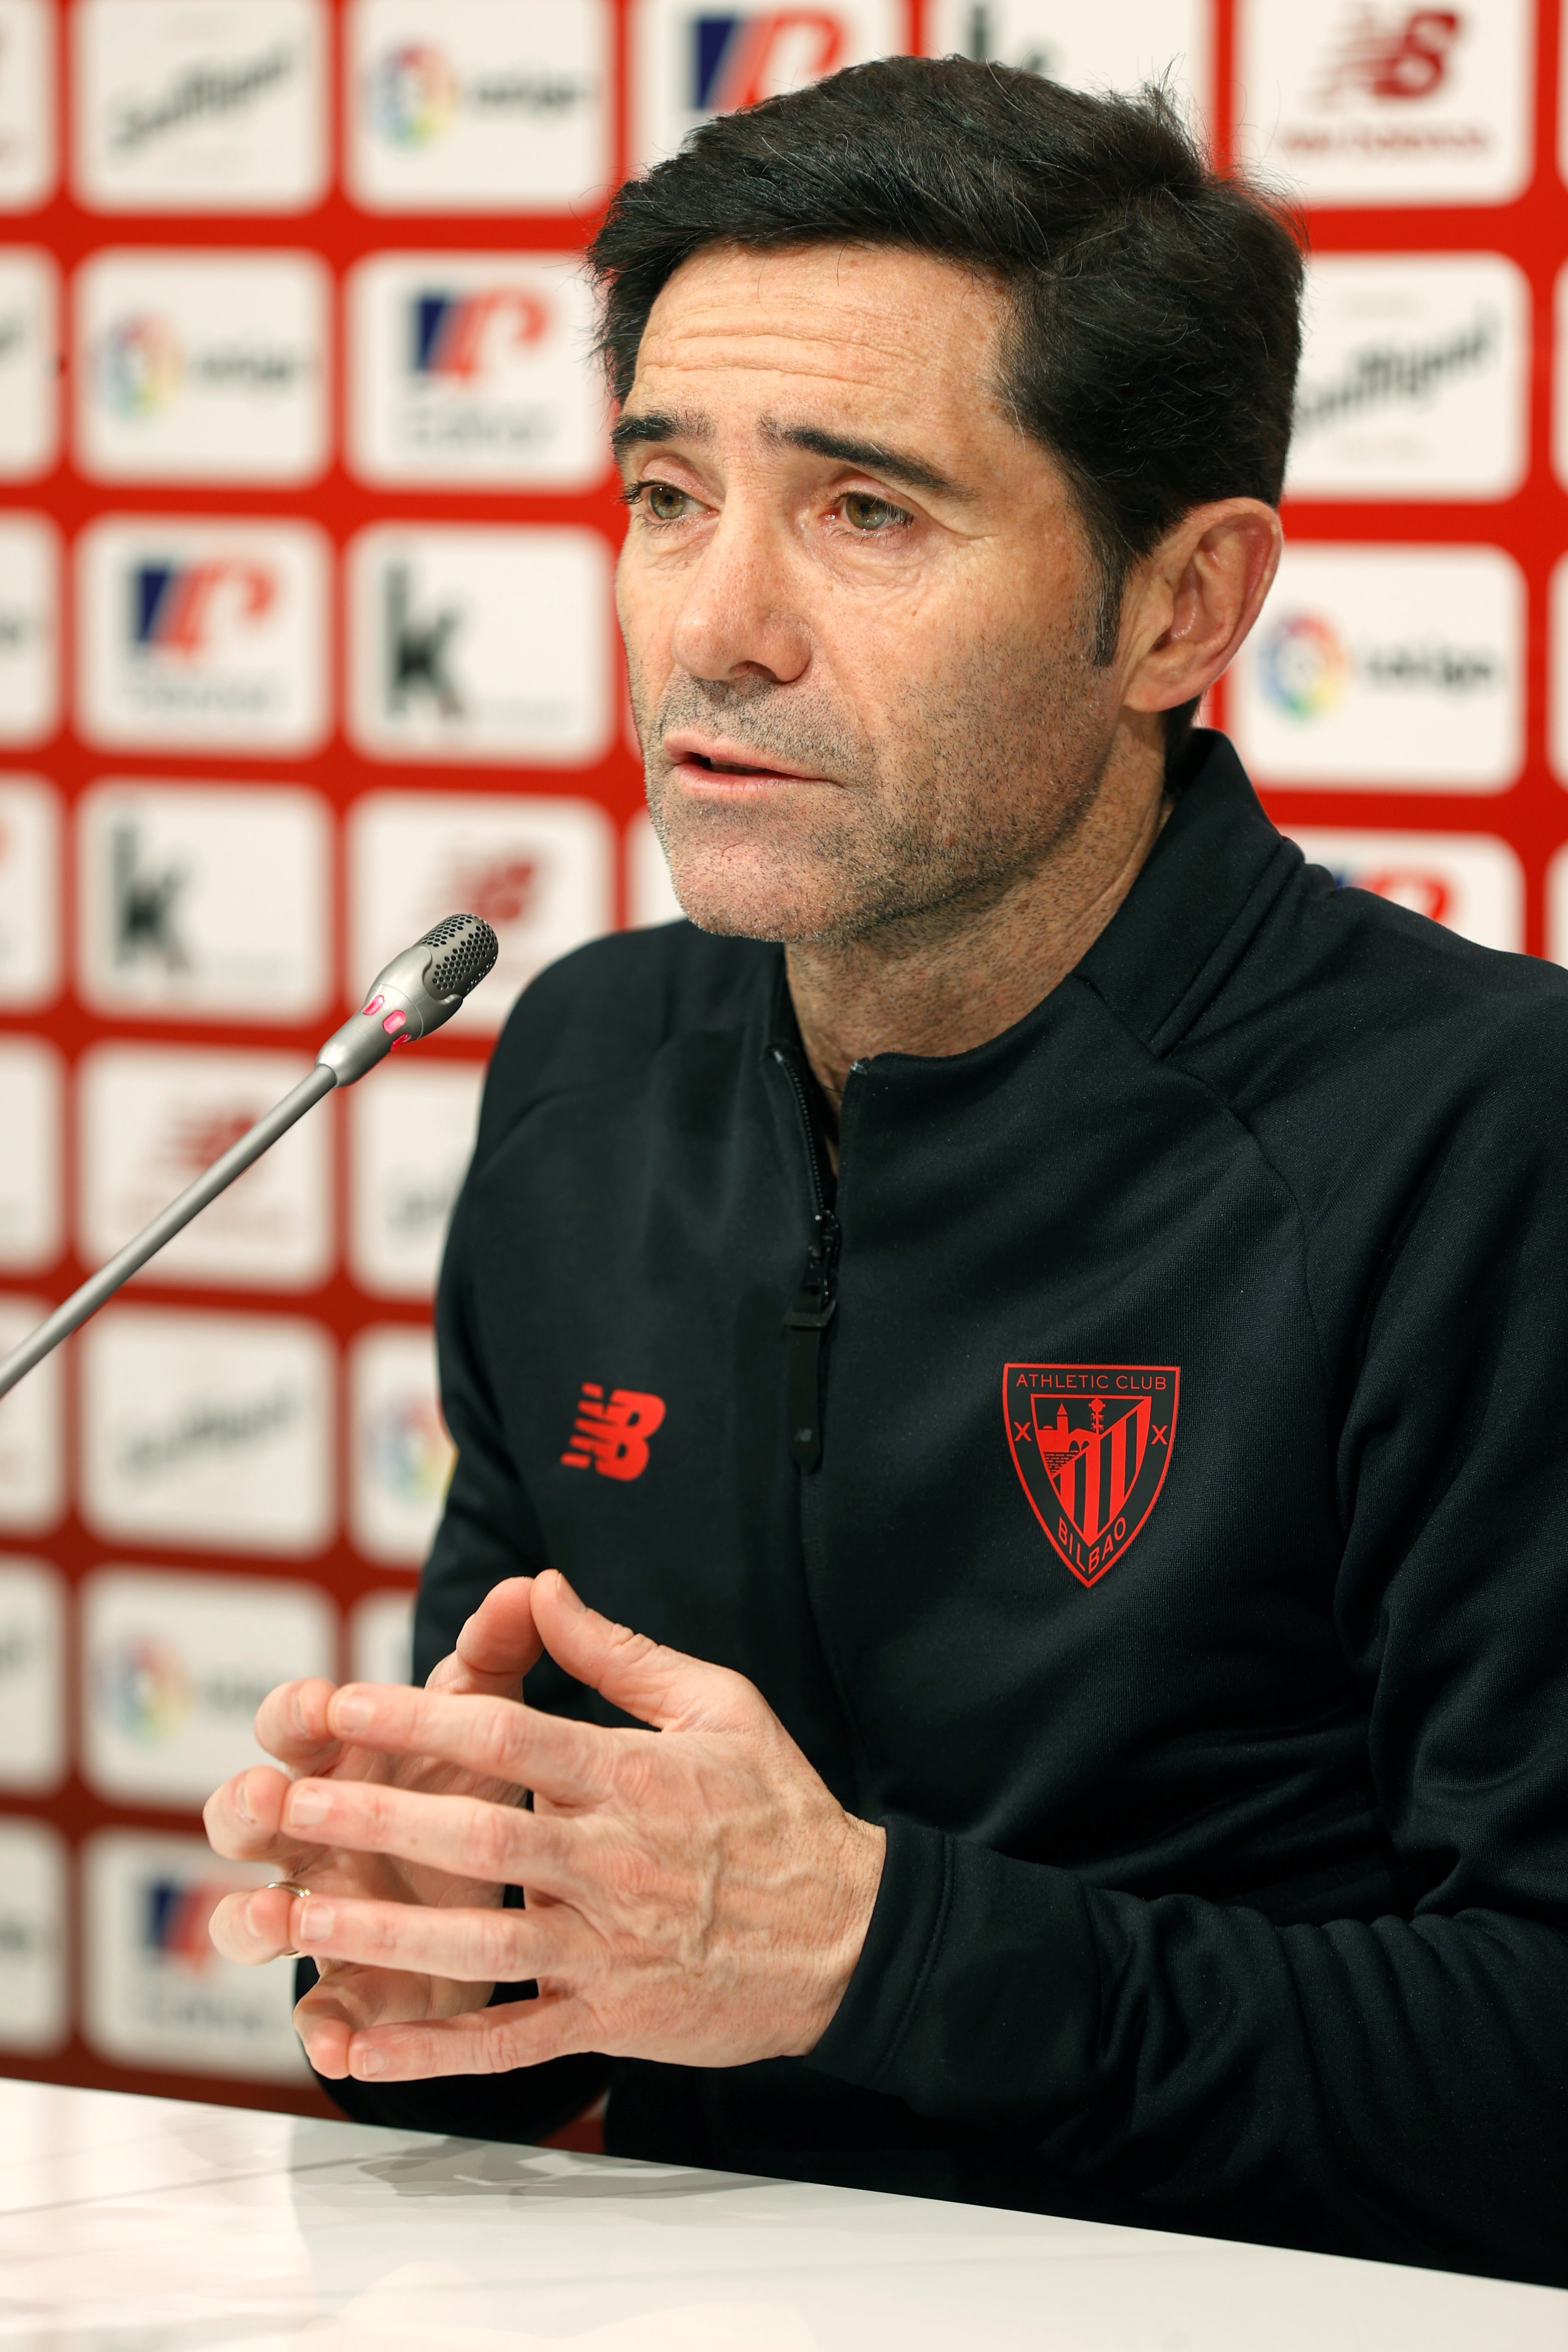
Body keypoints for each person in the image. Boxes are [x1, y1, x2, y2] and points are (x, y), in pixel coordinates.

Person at [205, 58, 1568, 2286]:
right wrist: (431, 1963)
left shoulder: (1491, 1138)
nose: (713, 628)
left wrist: (880, 1952)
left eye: (865, 512)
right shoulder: (582, 1067)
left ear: (1181, 611)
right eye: (666, 492)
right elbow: (516, 1921)